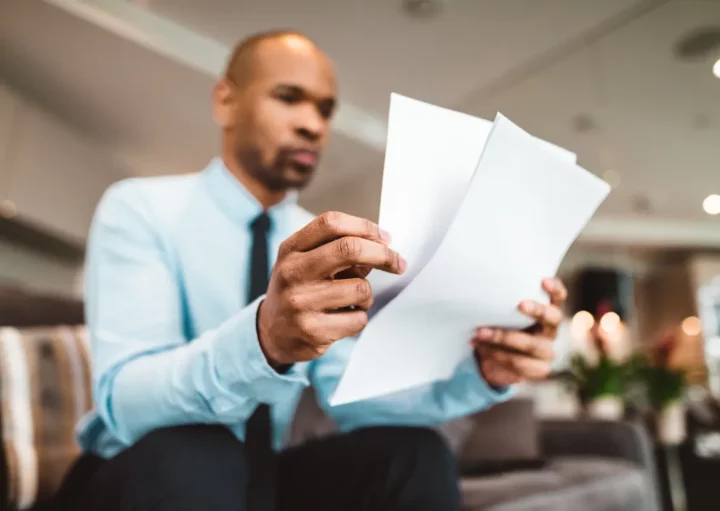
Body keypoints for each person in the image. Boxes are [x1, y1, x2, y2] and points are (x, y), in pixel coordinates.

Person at [57, 30, 566, 511]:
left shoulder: (329, 245)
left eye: (325, 109)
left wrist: (479, 375)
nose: (314, 125)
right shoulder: (141, 208)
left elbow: (351, 400)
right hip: (139, 471)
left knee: (416, 456)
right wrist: (262, 341)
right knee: (200, 455)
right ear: (225, 101)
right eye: (289, 97)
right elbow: (125, 400)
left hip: (259, 478)